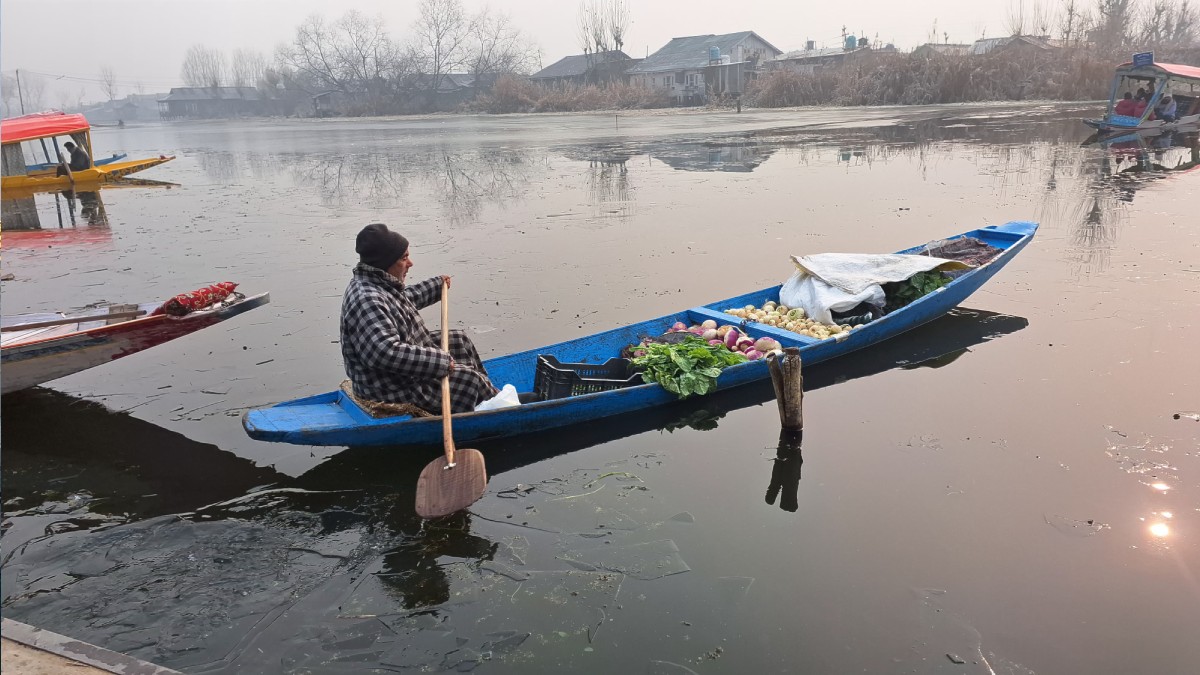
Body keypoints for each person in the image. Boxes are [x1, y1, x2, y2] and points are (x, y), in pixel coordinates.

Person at [340, 223, 499, 413]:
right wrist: (439, 362)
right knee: (469, 381)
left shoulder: (376, 283)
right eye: (404, 258)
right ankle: (498, 407)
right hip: (389, 388)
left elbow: (402, 300)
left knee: (459, 340)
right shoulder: (366, 299)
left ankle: (488, 400)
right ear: (386, 262)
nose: (410, 263)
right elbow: (385, 352)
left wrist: (435, 287)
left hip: (397, 376)